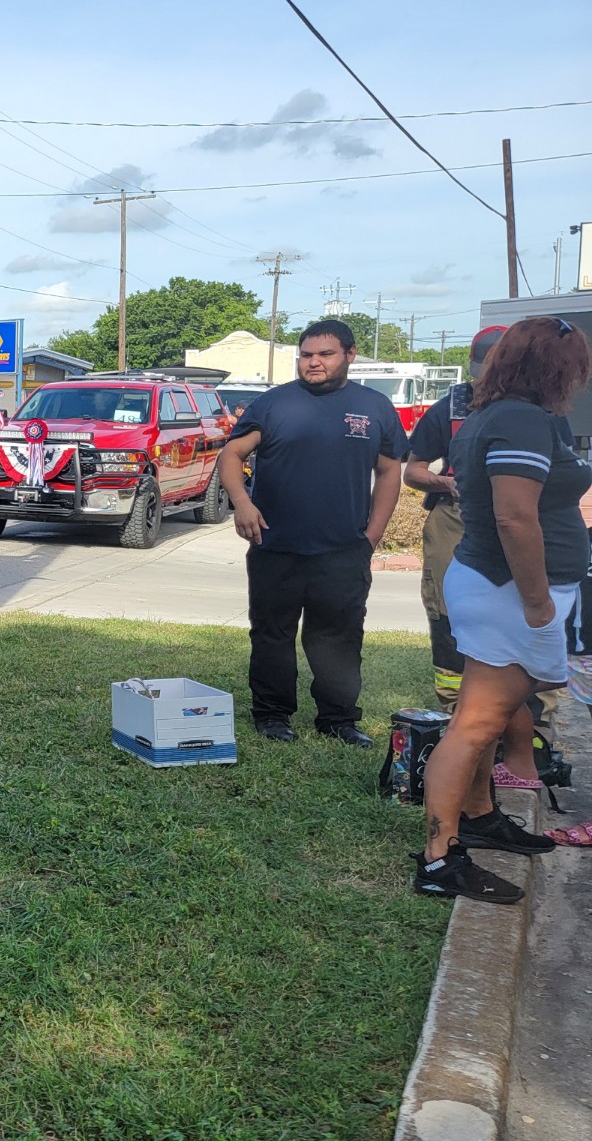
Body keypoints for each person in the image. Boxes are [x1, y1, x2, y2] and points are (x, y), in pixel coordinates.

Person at [414, 317, 592, 902]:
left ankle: (481, 813)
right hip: (508, 591)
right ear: (553, 367)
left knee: (487, 712)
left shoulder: (511, 414)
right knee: (476, 724)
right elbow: (516, 518)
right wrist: (540, 605)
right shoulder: (518, 418)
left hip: (504, 588)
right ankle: (439, 860)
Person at [217, 319, 405, 745]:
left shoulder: (374, 407)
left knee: (338, 637)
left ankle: (338, 720)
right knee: (272, 634)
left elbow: (390, 470)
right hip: (275, 545)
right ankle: (272, 715)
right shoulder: (274, 404)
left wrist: (371, 537)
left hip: (342, 550)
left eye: (325, 354)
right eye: (306, 355)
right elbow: (232, 453)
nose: (314, 362)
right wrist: (242, 503)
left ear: (350, 355)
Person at [404, 326, 507, 712]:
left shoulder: (543, 409)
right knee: (448, 609)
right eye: (484, 366)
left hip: (521, 517)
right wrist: (444, 482)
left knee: (523, 610)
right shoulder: (452, 405)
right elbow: (412, 472)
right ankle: (453, 705)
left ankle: (533, 720)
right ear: (472, 364)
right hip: (456, 517)